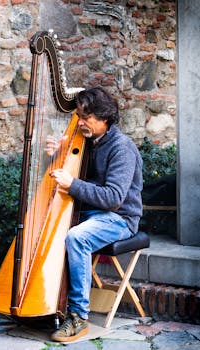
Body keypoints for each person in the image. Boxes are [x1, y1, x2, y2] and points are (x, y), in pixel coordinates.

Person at [47, 86, 143, 342]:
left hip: (119, 219)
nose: (80, 122)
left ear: (105, 118)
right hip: (91, 212)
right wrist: (56, 155)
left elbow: (112, 199)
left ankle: (78, 316)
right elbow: (71, 174)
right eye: (78, 115)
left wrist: (72, 184)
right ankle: (47, 302)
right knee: (47, 230)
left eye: (86, 117)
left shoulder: (122, 148)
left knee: (77, 238)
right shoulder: (87, 142)